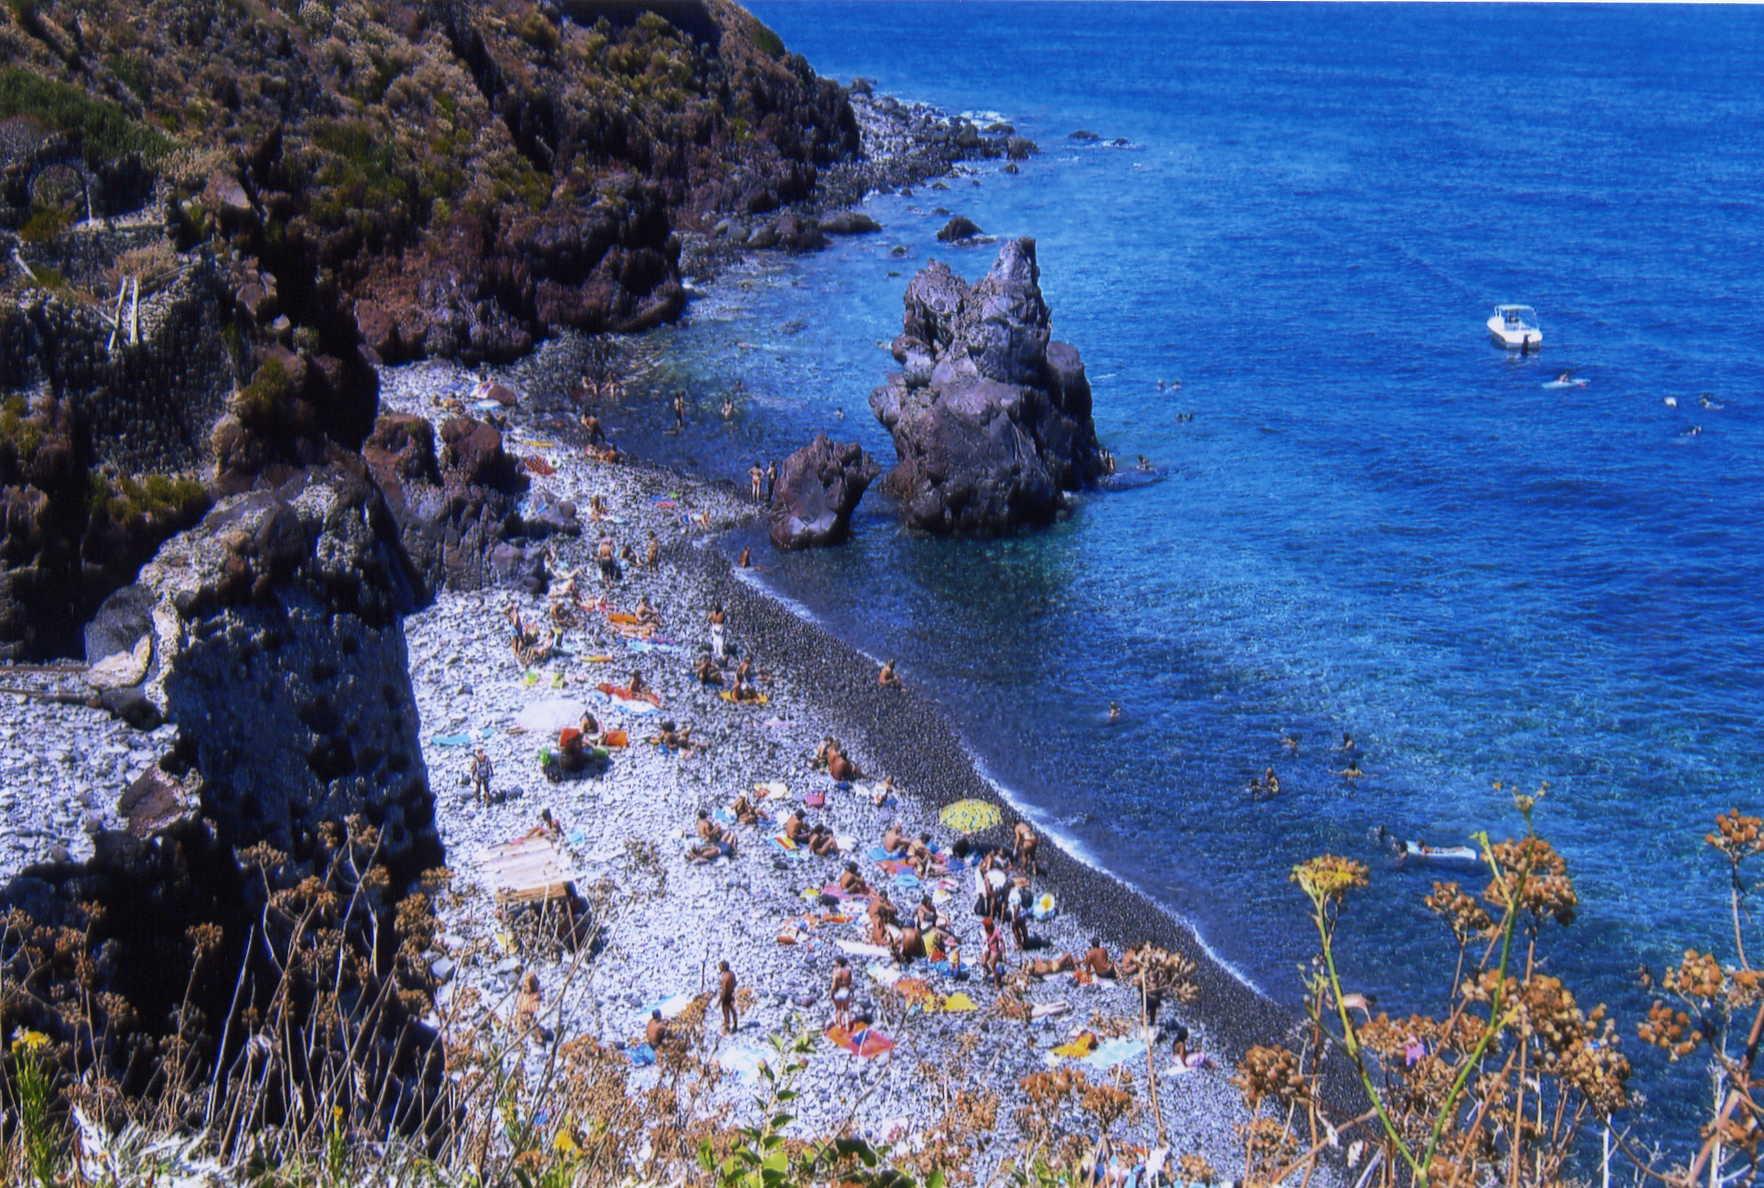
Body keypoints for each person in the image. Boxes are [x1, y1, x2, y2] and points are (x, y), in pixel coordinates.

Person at [1007, 874, 1034, 950]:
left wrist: (1014, 917)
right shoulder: (1017, 890)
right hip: (1022, 913)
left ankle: (1019, 944)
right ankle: (1026, 942)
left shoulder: (1013, 893)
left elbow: (1017, 905)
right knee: (1022, 927)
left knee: (1014, 928)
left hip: (1018, 914)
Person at [981, 915, 1006, 987]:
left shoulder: (996, 931)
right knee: (983, 963)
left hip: (995, 950)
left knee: (992, 965)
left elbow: (1002, 941)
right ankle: (989, 972)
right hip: (988, 947)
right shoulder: (986, 930)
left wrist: (1004, 953)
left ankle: (997, 982)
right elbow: (986, 938)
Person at [830, 957, 854, 1028]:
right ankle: (847, 1026)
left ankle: (839, 1025)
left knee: (838, 1009)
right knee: (846, 1009)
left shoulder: (836, 972)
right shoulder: (848, 971)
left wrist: (831, 993)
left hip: (838, 992)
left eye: (836, 963)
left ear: (839, 964)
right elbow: (849, 982)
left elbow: (834, 985)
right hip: (845, 991)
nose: (835, 964)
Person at [718, 961, 738, 1035]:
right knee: (733, 1010)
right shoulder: (732, 974)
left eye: (720, 967)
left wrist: (720, 999)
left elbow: (724, 989)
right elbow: (735, 983)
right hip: (731, 994)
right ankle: (735, 1025)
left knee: (725, 1011)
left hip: (726, 996)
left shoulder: (725, 976)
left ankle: (727, 1027)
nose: (719, 968)